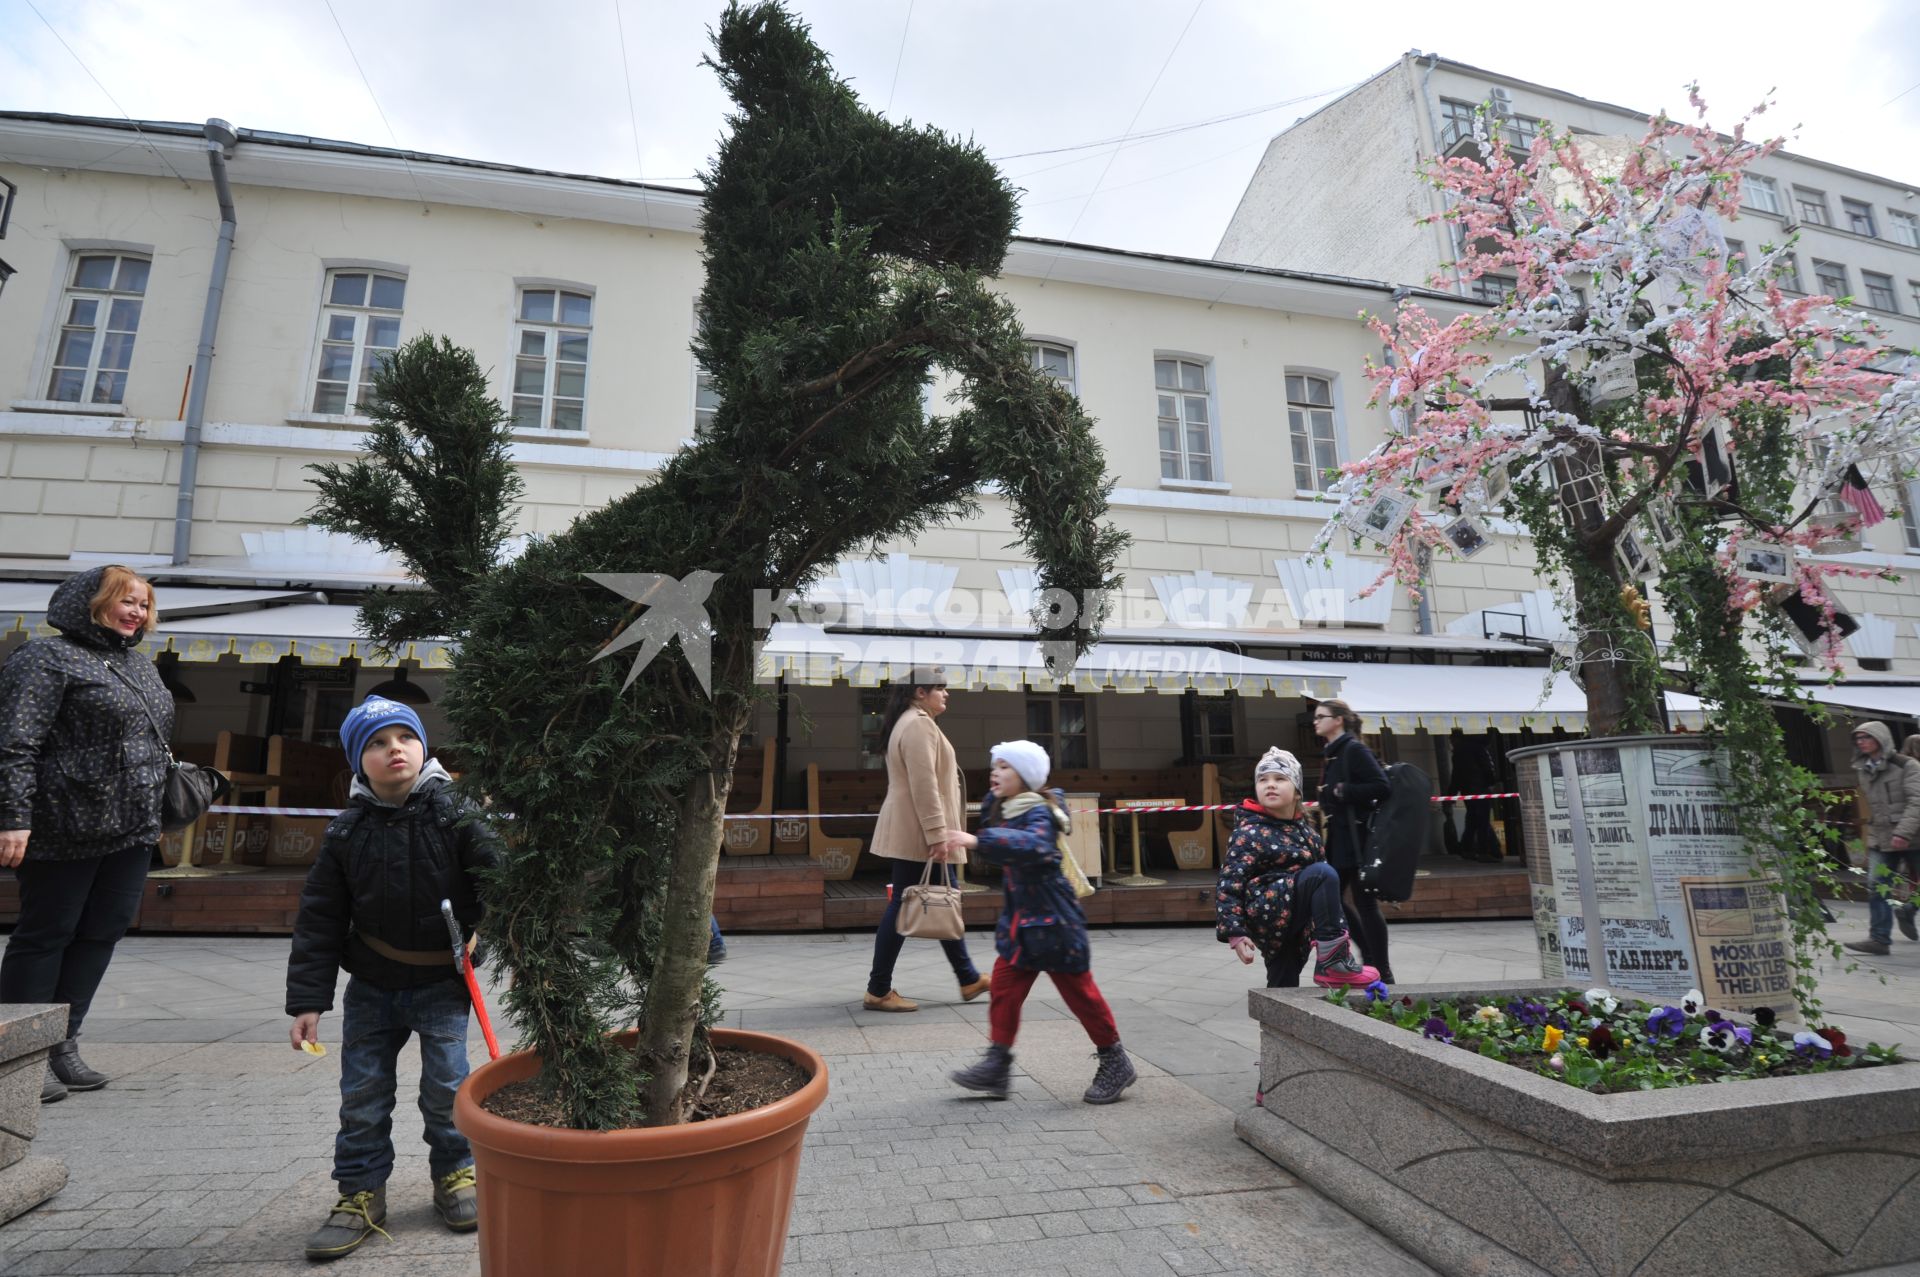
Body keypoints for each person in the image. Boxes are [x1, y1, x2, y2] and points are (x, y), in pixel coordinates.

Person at [286, 696, 499, 1261]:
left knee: (446, 1090)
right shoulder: (346, 831)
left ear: (422, 747)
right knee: (362, 1095)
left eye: (404, 737)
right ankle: (359, 1193)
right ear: (360, 762)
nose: (393, 750)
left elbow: (498, 879)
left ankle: (456, 1174)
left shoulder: (456, 812)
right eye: (377, 744)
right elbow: (320, 918)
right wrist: (308, 1000)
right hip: (371, 988)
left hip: (439, 985)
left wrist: (490, 936)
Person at [0, 566, 170, 1105]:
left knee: (102, 932)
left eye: (143, 604)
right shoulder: (43, 657)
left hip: (132, 827)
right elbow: (15, 743)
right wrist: (13, 816)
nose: (136, 612)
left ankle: (62, 1044)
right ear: (90, 602)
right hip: (63, 822)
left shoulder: (137, 665)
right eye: (125, 600)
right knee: (47, 933)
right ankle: (18, 1057)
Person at [943, 741, 1136, 1104]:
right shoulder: (1006, 808)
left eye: (1005, 767)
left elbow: (1033, 845)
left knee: (1081, 996)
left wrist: (975, 839)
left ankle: (1115, 1060)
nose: (994, 772)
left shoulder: (1042, 812)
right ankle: (997, 1064)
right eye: (994, 765)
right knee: (1003, 989)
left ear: (1026, 777)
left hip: (1054, 923)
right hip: (1022, 923)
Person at [863, 668, 987, 1012]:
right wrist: (936, 833)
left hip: (917, 830)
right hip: (920, 832)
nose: (946, 694)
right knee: (911, 904)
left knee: (943, 899)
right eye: (940, 689)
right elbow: (924, 785)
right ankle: (878, 989)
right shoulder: (917, 724)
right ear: (920, 692)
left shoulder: (912, 721)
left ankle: (967, 977)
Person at [1216, 746, 1382, 991]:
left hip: (1296, 922)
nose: (1270, 784)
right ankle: (1333, 962)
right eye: (1263, 779)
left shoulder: (1308, 833)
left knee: (1284, 984)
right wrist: (1235, 933)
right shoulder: (1248, 832)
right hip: (1266, 912)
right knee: (1323, 874)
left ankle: (1281, 1016)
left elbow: (1329, 898)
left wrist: (1335, 932)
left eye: (1280, 778)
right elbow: (1229, 884)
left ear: (1296, 792)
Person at [1311, 698, 1394, 982]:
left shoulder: (1353, 750)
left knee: (1364, 901)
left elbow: (1381, 786)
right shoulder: (1333, 752)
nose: (1315, 721)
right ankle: (1370, 958)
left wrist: (1345, 791)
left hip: (1357, 839)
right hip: (1340, 837)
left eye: (1321, 716)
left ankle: (1380, 967)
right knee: (1336, 897)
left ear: (1338, 720)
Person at [1843, 721, 1920, 957]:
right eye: (1858, 738)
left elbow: (1917, 801)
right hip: (1881, 839)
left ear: (1881, 738)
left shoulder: (1907, 765)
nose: (1861, 741)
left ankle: (1906, 911)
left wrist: (1903, 832)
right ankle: (1878, 939)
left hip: (1913, 838)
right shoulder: (1862, 768)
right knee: (1877, 887)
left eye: (1867, 737)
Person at [1450, 735, 1503, 863]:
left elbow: (1456, 775)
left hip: (1467, 790)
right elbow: (1488, 768)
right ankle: (1484, 851)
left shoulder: (1458, 751)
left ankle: (1467, 848)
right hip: (1481, 788)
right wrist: (1492, 782)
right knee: (1482, 821)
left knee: (1472, 820)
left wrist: (1451, 793)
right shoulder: (1479, 749)